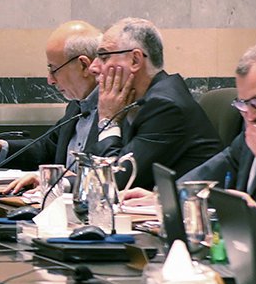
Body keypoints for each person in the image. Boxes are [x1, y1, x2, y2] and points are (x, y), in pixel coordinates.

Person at [0, 20, 101, 193]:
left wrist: (56, 181)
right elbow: (48, 149)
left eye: (54, 68)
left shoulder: (120, 112)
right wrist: (1, 147)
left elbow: (110, 175)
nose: (50, 80)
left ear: (84, 66)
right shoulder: (76, 106)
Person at [87, 17, 220, 191]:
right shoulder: (133, 100)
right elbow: (95, 169)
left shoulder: (166, 106)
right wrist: (65, 183)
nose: (94, 67)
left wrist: (108, 120)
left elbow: (115, 181)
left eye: (103, 57)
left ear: (135, 60)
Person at [170, 44, 256, 206]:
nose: (250, 116)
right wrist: (164, 198)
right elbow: (216, 168)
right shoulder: (250, 132)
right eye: (243, 103)